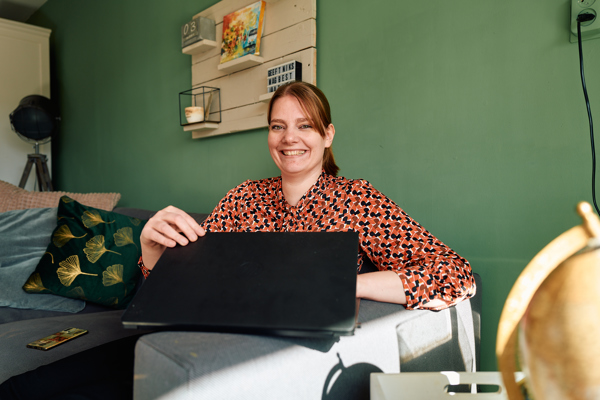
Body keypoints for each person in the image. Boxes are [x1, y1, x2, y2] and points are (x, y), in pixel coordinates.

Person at [140, 81, 475, 310]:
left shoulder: (355, 199)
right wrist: (152, 252)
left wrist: (347, 284)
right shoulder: (242, 198)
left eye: (305, 126)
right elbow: (182, 290)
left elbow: (454, 274)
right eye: (278, 126)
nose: (289, 138)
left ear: (327, 135)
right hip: (225, 341)